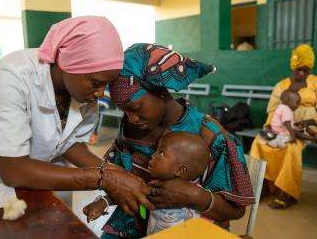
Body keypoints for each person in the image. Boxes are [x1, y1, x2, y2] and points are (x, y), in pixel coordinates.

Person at [0, 16, 154, 214]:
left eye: (105, 85)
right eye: (96, 83)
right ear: (71, 63)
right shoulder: (12, 75)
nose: (101, 94)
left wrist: (115, 172)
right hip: (4, 189)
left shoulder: (81, 92)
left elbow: (70, 144)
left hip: (50, 181)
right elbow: (13, 170)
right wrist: (103, 178)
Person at [96, 43, 254, 238]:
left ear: (162, 92)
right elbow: (117, 176)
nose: (131, 118)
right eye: (124, 111)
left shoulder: (210, 136)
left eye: (135, 108)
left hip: (189, 230)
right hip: (131, 225)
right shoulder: (132, 128)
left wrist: (195, 195)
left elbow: (235, 210)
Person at [83, 131, 210, 235]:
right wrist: (103, 202)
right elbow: (131, 193)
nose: (152, 156)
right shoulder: (155, 185)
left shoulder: (197, 196)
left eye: (161, 153)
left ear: (180, 170)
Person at [250, 44, 317, 209]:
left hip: (308, 127)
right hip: (281, 127)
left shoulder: (315, 83)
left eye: (306, 70)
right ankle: (262, 185)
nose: (301, 73)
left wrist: (310, 121)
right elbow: (273, 110)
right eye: (298, 69)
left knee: (291, 148)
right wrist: (269, 127)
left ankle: (286, 192)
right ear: (293, 67)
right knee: (259, 142)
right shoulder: (281, 85)